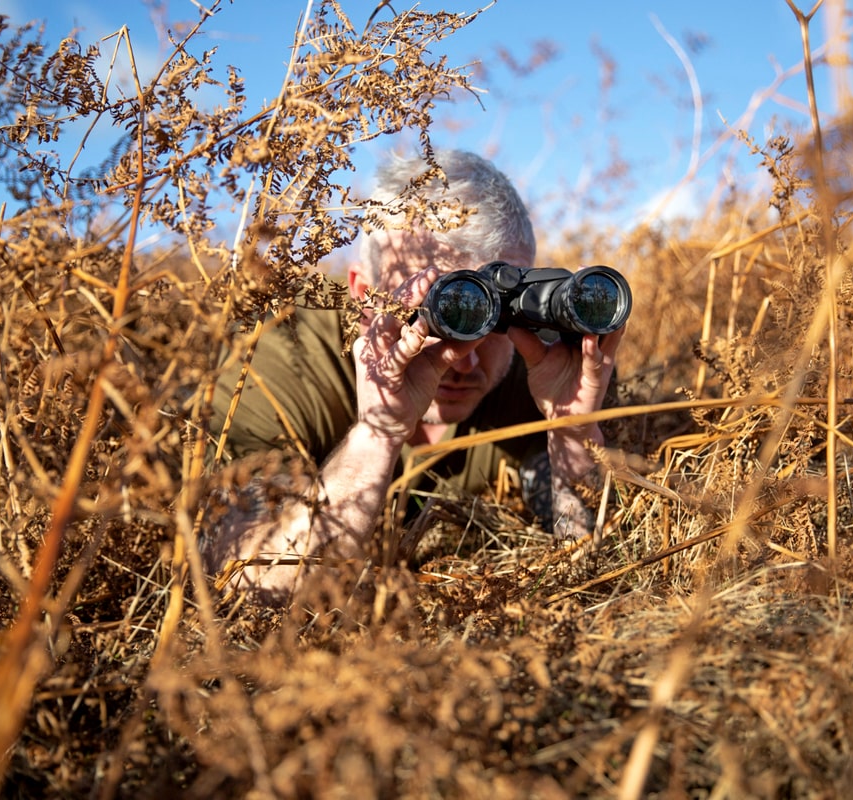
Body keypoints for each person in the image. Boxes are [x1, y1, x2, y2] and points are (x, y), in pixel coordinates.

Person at [202, 150, 624, 602]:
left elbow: (593, 566)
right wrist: (376, 435)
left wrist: (572, 433)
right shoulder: (283, 364)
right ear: (365, 294)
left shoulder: (549, 368)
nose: (465, 362)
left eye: (493, 319)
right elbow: (250, 584)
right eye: (440, 315)